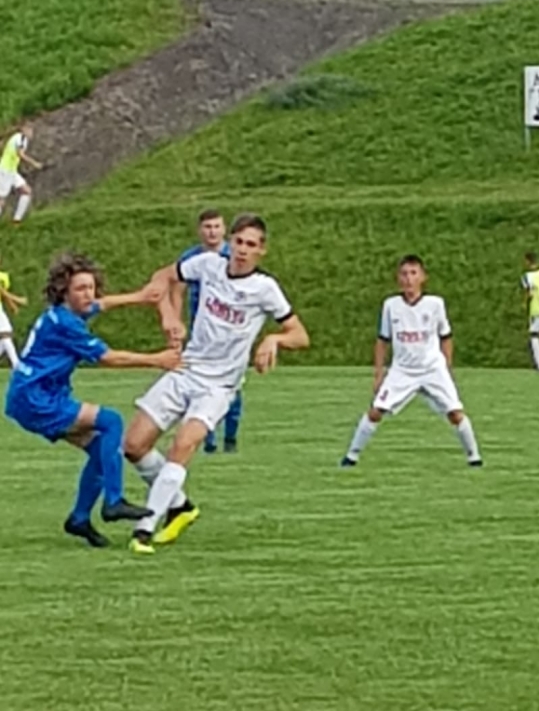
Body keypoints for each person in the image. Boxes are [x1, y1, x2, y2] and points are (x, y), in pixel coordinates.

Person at [124, 212, 310, 555]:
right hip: (186, 368)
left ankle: (144, 529)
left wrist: (274, 339)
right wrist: (169, 315)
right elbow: (164, 276)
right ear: (230, 242)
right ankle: (180, 507)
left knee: (183, 444)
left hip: (219, 387)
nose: (243, 250)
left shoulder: (264, 289)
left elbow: (300, 335)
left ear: (261, 251)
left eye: (251, 245)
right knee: (133, 445)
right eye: (239, 242)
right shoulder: (208, 265)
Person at [4, 252, 182, 547]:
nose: (89, 294)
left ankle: (79, 519)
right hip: (37, 399)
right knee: (111, 421)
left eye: (91, 287)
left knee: (102, 449)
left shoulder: (65, 313)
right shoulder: (67, 324)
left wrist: (138, 297)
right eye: (80, 289)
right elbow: (108, 358)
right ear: (64, 292)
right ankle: (113, 501)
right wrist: (157, 359)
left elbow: (101, 304)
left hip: (33, 395)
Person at [341, 255, 482, 468]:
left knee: (455, 413)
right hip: (402, 371)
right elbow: (382, 340)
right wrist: (378, 374)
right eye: (404, 274)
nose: (408, 279)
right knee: (376, 411)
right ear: (398, 278)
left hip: (432, 369)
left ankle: (474, 458)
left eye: (413, 273)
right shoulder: (391, 305)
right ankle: (351, 457)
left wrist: (447, 368)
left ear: (423, 277)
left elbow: (446, 337)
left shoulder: (435, 304)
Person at [173, 209, 244, 454]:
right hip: (200, 334)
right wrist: (176, 321)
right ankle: (208, 440)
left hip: (230, 333)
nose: (212, 232)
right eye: (207, 227)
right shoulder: (191, 257)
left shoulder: (235, 256)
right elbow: (177, 289)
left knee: (231, 384)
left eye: (216, 226)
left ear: (224, 230)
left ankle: (231, 438)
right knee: (200, 384)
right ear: (200, 230)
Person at [0, 122, 43, 225]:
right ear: (24, 130)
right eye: (29, 130)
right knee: (1, 200)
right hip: (5, 171)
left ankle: (16, 221)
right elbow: (20, 154)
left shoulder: (21, 139)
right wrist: (34, 163)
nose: (31, 133)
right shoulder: (20, 138)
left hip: (12, 171)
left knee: (27, 191)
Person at [0, 255, 26, 369]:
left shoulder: (3, 276)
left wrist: (12, 305)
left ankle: (16, 364)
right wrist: (17, 300)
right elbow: (2, 291)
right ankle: (16, 364)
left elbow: (2, 294)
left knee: (5, 335)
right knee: (6, 333)